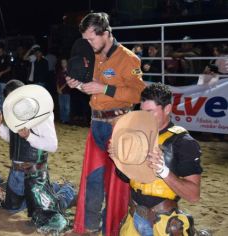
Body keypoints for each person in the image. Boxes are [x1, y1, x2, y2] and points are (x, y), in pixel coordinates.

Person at [66, 12, 146, 234]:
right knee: (93, 179)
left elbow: (138, 94)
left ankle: (113, 228)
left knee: (117, 184)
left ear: (106, 34)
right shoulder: (91, 56)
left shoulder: (128, 58)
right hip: (97, 124)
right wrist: (78, 85)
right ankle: (90, 227)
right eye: (86, 40)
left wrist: (104, 88)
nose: (88, 44)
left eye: (91, 39)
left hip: (120, 125)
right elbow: (92, 89)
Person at [0, 80, 76, 234]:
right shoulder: (14, 113)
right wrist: (0, 127)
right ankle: (50, 189)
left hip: (35, 174)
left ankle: (67, 191)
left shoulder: (42, 115)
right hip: (16, 173)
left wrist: (29, 135)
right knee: (10, 207)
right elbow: (14, 140)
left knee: (44, 216)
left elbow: (52, 145)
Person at [118, 83, 202, 235]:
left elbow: (193, 195)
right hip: (134, 216)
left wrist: (163, 172)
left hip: (163, 221)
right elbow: (124, 178)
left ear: (167, 109)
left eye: (150, 112)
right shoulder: (137, 135)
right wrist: (120, 160)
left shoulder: (183, 142)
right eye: (142, 112)